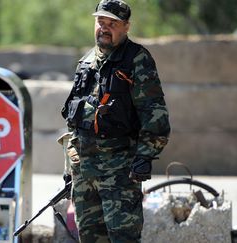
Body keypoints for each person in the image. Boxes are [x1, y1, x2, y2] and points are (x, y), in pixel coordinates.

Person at [60, 0, 171, 242]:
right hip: (85, 173)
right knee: (90, 237)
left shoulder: (136, 60)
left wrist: (144, 157)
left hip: (119, 172)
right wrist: (71, 167)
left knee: (123, 238)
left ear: (126, 27)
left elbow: (155, 113)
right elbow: (73, 119)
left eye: (113, 23)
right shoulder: (86, 62)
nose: (105, 28)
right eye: (101, 22)